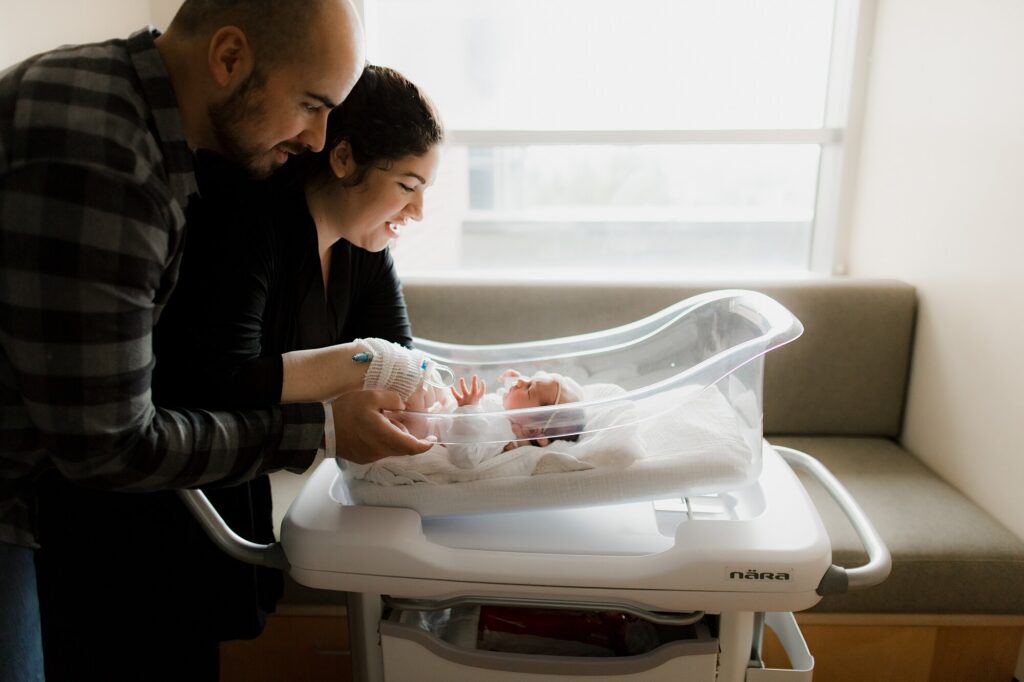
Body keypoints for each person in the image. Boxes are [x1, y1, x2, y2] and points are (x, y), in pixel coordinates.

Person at [0, 4, 433, 680]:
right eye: (312, 105)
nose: (322, 140)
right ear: (229, 58)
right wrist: (320, 429)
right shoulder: (105, 155)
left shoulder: (157, 141)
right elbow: (111, 445)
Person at [409, 369, 587, 468]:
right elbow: (510, 404)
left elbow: (464, 457)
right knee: (429, 372)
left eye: (529, 389)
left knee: (415, 385)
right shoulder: (513, 418)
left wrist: (468, 410)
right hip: (439, 407)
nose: (522, 381)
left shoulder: (502, 436)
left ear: (534, 429)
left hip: (426, 429)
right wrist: (515, 380)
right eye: (529, 378)